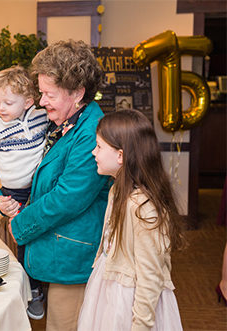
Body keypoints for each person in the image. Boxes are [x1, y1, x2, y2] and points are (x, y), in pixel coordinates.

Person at [0, 39, 110, 331]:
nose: (42, 101)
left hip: (73, 256)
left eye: (49, 94)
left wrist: (21, 223)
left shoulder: (91, 131)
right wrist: (5, 194)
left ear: (77, 93)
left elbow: (68, 198)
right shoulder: (63, 120)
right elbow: (29, 168)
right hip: (55, 247)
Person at [77, 110, 184, 330]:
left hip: (130, 300)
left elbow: (150, 275)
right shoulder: (117, 189)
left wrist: (141, 325)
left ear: (120, 155)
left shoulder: (142, 207)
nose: (93, 152)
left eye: (99, 147)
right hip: (109, 287)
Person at [0, 65, 49, 319]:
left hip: (38, 190)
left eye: (7, 102)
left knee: (41, 238)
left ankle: (40, 282)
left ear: (28, 101)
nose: (1, 108)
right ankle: (32, 289)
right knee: (22, 240)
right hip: (13, 192)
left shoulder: (42, 117)